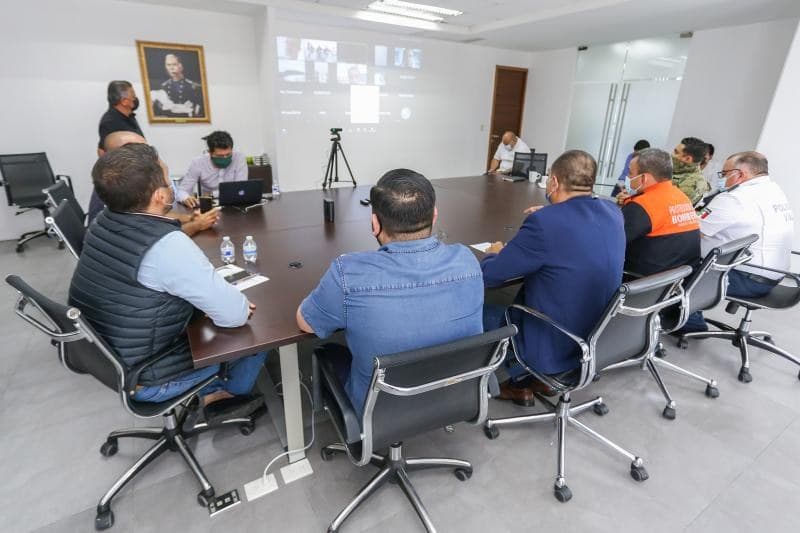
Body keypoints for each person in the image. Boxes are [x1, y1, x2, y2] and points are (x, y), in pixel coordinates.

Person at [69, 144, 264, 420]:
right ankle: (223, 394)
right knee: (257, 332)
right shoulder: (165, 246)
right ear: (160, 195)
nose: (173, 186)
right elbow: (235, 315)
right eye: (169, 180)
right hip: (150, 377)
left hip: (108, 355)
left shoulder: (103, 222)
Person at [296, 169, 484, 416]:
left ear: (374, 223)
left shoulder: (348, 274)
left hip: (378, 411)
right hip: (453, 397)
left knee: (328, 352)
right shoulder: (467, 261)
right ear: (435, 215)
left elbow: (306, 323)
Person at [481, 150, 625, 405]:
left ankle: (519, 380)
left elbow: (491, 276)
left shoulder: (545, 224)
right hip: (598, 335)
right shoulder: (613, 212)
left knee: (480, 311)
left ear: (555, 182)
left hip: (555, 339)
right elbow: (577, 228)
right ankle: (540, 381)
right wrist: (554, 212)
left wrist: (495, 253)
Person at [682, 151, 795, 332]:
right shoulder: (774, 191)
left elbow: (693, 230)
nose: (722, 178)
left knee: (675, 267)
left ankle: (689, 322)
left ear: (740, 174)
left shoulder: (736, 198)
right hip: (774, 275)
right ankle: (691, 314)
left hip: (745, 278)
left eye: (725, 174)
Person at [87, 131, 220, 236]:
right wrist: (196, 225)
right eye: (137, 150)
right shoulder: (116, 194)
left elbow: (152, 215)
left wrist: (189, 218)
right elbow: (151, 241)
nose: (148, 156)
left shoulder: (115, 186)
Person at [619, 148, 700, 277]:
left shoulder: (642, 205)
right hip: (674, 284)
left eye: (630, 172)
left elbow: (609, 242)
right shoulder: (682, 198)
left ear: (644, 178)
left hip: (639, 283)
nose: (627, 177)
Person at [177, 131, 248, 208]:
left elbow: (240, 189)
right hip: (209, 206)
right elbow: (181, 191)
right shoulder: (198, 163)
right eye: (220, 156)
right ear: (210, 153)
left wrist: (211, 194)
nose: (225, 158)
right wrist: (186, 198)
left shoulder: (239, 158)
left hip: (234, 205)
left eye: (228, 154)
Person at [97, 80, 144, 151]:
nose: (135, 99)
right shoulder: (109, 123)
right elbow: (102, 151)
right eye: (133, 96)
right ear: (124, 101)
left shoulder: (129, 116)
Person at [153, 53, 204, 118]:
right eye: (168, 65)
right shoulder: (163, 86)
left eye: (174, 64)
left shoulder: (193, 86)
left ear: (181, 66)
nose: (171, 68)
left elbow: (198, 110)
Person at [672, 138, 710, 205]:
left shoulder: (692, 184)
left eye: (676, 152)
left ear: (687, 159)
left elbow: (668, 205)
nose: (672, 154)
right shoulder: (678, 169)